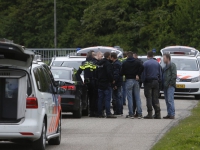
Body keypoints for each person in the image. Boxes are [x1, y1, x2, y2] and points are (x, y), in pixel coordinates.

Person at [121, 51, 144, 119]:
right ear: (132, 56)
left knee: (130, 98)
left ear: (127, 56)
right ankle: (139, 113)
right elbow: (142, 67)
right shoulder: (137, 62)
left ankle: (131, 113)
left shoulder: (125, 63)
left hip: (128, 80)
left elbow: (121, 72)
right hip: (136, 80)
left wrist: (125, 73)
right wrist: (138, 74)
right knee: (137, 97)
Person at [76, 51, 97, 117]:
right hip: (93, 81)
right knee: (93, 97)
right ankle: (92, 112)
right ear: (92, 56)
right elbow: (96, 73)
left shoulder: (84, 63)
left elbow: (77, 73)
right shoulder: (94, 62)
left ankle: (86, 111)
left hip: (86, 81)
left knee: (86, 97)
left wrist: (81, 81)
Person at [142, 51, 162, 119]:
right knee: (155, 98)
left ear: (147, 56)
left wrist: (143, 81)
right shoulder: (157, 63)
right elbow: (160, 74)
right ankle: (158, 113)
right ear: (153, 56)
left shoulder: (145, 63)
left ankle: (150, 113)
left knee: (149, 98)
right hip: (156, 82)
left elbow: (143, 74)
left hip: (148, 82)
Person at [97, 52, 116, 118]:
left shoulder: (99, 63)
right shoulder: (108, 63)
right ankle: (108, 113)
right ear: (109, 56)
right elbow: (109, 73)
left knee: (100, 99)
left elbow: (96, 72)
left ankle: (100, 113)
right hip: (106, 83)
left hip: (100, 83)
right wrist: (112, 80)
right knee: (107, 99)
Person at [162, 53, 177, 119]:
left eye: (164, 58)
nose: (163, 59)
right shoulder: (165, 67)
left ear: (168, 58)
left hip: (170, 86)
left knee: (170, 100)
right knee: (167, 100)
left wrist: (171, 83)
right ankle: (169, 113)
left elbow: (174, 75)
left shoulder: (172, 65)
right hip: (165, 86)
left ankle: (172, 114)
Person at [132, 52, 143, 117]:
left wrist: (137, 74)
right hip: (139, 80)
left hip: (136, 80)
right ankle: (138, 112)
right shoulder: (140, 62)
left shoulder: (136, 62)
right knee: (137, 96)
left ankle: (133, 111)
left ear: (135, 56)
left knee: (134, 97)